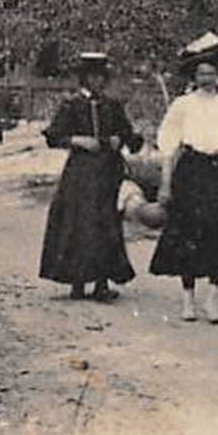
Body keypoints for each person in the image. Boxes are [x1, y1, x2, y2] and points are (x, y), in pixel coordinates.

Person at [148, 34, 218, 323]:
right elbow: (168, 146)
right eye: (201, 73)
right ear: (194, 75)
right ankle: (188, 300)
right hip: (191, 170)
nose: (207, 77)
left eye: (211, 72)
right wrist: (166, 184)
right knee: (188, 233)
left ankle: (212, 301)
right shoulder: (183, 104)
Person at [38, 52, 144, 301]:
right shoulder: (71, 105)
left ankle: (101, 283)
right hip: (80, 173)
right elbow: (54, 136)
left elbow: (129, 135)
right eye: (91, 77)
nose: (96, 82)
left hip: (108, 173)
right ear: (83, 79)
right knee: (77, 223)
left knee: (105, 223)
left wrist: (126, 140)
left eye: (100, 77)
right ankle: (76, 281)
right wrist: (78, 140)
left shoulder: (112, 106)